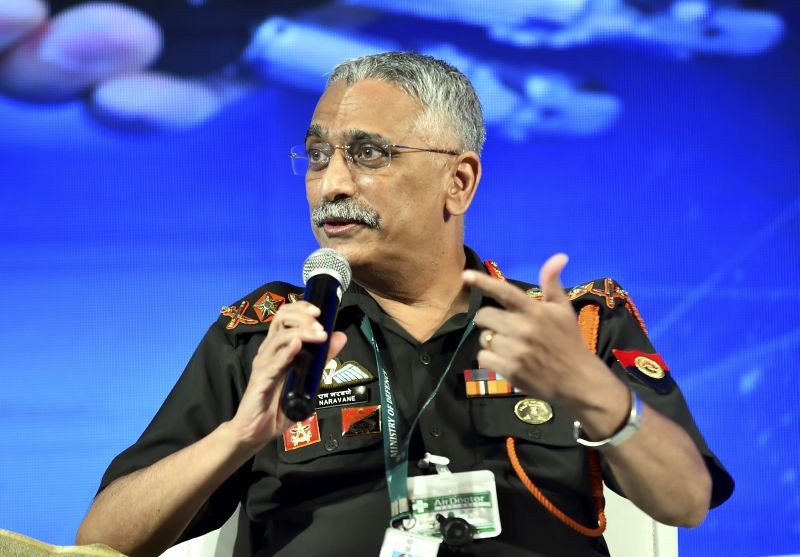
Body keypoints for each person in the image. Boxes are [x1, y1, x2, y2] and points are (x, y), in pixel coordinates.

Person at [76, 51, 733, 557]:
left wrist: (594, 391)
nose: (330, 183)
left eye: (367, 154)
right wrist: (237, 437)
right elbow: (105, 541)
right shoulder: (269, 334)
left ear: (459, 180)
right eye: (316, 156)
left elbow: (686, 500)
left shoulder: (570, 324)